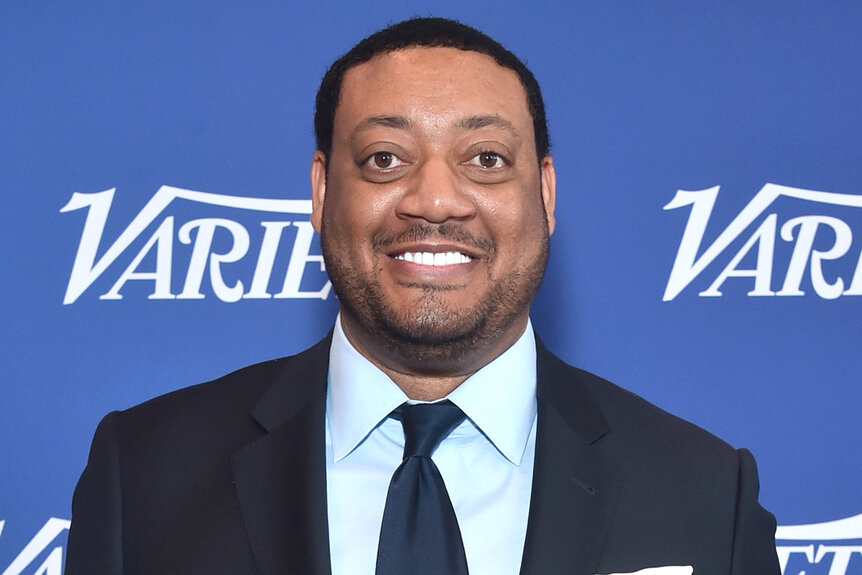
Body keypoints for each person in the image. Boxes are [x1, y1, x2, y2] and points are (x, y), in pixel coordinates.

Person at [65, 17, 781, 575]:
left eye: (486, 159)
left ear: (547, 193)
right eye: (385, 158)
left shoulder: (707, 493)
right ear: (320, 191)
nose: (435, 198)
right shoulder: (145, 472)